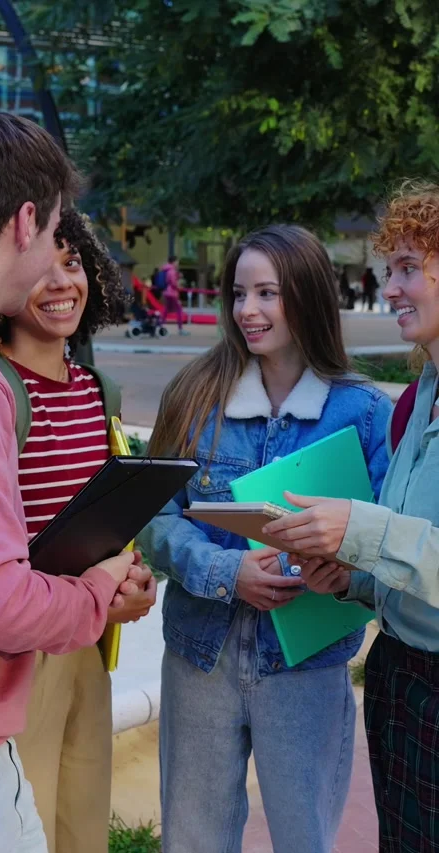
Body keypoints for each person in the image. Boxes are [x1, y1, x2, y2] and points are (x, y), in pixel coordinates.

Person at [137, 223, 392, 853]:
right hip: (201, 658)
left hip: (307, 667)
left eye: (268, 293)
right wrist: (229, 574)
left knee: (305, 838)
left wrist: (349, 576)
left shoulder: (363, 412)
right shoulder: (195, 397)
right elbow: (156, 518)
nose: (247, 311)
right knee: (192, 840)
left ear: (306, 297)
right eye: (239, 293)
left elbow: (390, 541)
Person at [0, 109, 141, 853]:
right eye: (58, 235)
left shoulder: (89, 389)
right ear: (27, 220)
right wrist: (97, 590)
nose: (64, 273)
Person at [261, 181, 439, 852]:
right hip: (399, 677)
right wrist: (347, 576)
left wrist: (358, 530)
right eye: (388, 268)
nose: (388, 287)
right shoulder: (419, 394)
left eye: (405, 269)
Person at [0, 208, 158, 853]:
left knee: (84, 812)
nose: (62, 282)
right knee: (23, 814)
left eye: (74, 262)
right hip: (15, 650)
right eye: (41, 265)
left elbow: (107, 520)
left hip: (88, 637)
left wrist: (132, 578)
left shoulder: (98, 391)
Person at [161, 255, 189, 334]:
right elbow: (173, 283)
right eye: (177, 262)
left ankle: (159, 325)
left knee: (166, 310)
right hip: (172, 293)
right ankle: (180, 329)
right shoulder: (172, 271)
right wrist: (179, 284)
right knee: (179, 310)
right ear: (174, 262)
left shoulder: (166, 270)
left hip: (167, 292)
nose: (177, 263)